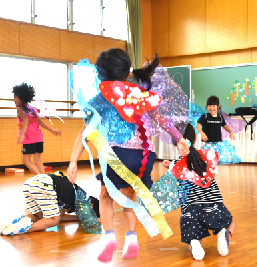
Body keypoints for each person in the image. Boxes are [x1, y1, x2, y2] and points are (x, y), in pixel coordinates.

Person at [67, 49, 190, 262]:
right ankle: (132, 239)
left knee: (105, 195)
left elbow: (84, 132)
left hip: (117, 154)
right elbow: (161, 118)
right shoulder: (139, 94)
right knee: (129, 196)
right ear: (127, 72)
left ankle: (108, 238)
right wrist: (178, 138)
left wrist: (73, 160)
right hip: (144, 155)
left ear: (102, 74)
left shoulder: (100, 98)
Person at [150, 124, 236, 261]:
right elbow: (210, 175)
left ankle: (195, 243)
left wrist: (171, 166)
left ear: (175, 143)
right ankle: (223, 233)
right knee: (231, 222)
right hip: (213, 207)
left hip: (190, 212)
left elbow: (178, 175)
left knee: (193, 230)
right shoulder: (207, 157)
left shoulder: (176, 165)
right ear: (195, 139)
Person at [0, 172, 100, 236]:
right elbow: (57, 219)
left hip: (30, 183)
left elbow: (61, 216)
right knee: (53, 220)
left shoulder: (74, 196)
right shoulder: (83, 199)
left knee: (42, 218)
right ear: (91, 206)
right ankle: (21, 229)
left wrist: (78, 218)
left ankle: (15, 221)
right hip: (45, 185)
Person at [13, 83, 61, 175]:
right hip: (39, 138)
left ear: (21, 98)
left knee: (26, 160)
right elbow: (39, 122)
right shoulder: (31, 108)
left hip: (29, 138)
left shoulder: (20, 109)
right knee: (37, 159)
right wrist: (52, 130)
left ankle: (40, 177)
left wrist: (22, 134)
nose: (14, 99)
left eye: (15, 97)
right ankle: (45, 179)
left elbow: (26, 121)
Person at [196, 96, 242, 164]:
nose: (211, 108)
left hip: (218, 144)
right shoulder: (205, 116)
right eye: (209, 106)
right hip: (207, 144)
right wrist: (202, 134)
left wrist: (231, 132)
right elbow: (198, 126)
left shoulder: (220, 117)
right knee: (207, 161)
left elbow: (225, 126)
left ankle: (216, 173)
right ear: (207, 106)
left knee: (218, 161)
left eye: (214, 106)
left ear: (218, 106)